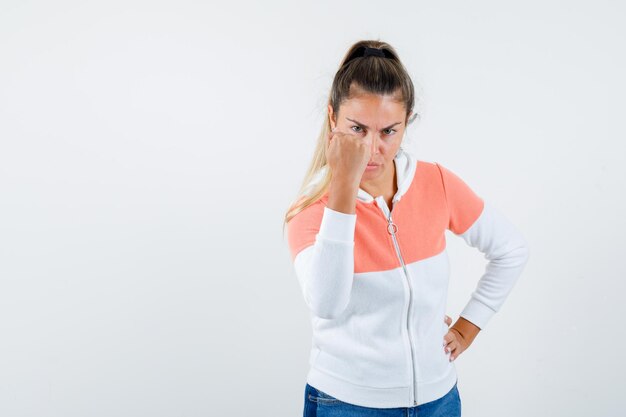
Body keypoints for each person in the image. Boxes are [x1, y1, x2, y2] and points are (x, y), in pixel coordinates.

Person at [283, 40, 530, 417]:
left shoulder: (436, 183)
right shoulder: (311, 210)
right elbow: (327, 305)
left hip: (438, 400)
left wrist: (468, 326)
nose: (372, 148)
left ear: (407, 121)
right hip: (349, 403)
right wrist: (344, 191)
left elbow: (511, 249)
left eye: (388, 132)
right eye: (357, 129)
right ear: (333, 118)